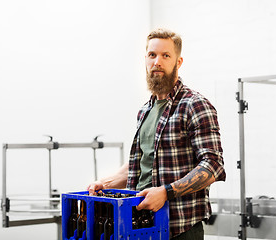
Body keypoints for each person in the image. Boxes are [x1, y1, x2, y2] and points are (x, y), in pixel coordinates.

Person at [88, 28, 226, 239]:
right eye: (152, 55)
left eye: (165, 55)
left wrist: (166, 192)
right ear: (145, 59)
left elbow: (212, 166)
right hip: (143, 225)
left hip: (179, 229)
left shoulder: (194, 105)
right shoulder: (145, 110)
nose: (157, 62)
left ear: (178, 62)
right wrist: (105, 184)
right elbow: (142, 164)